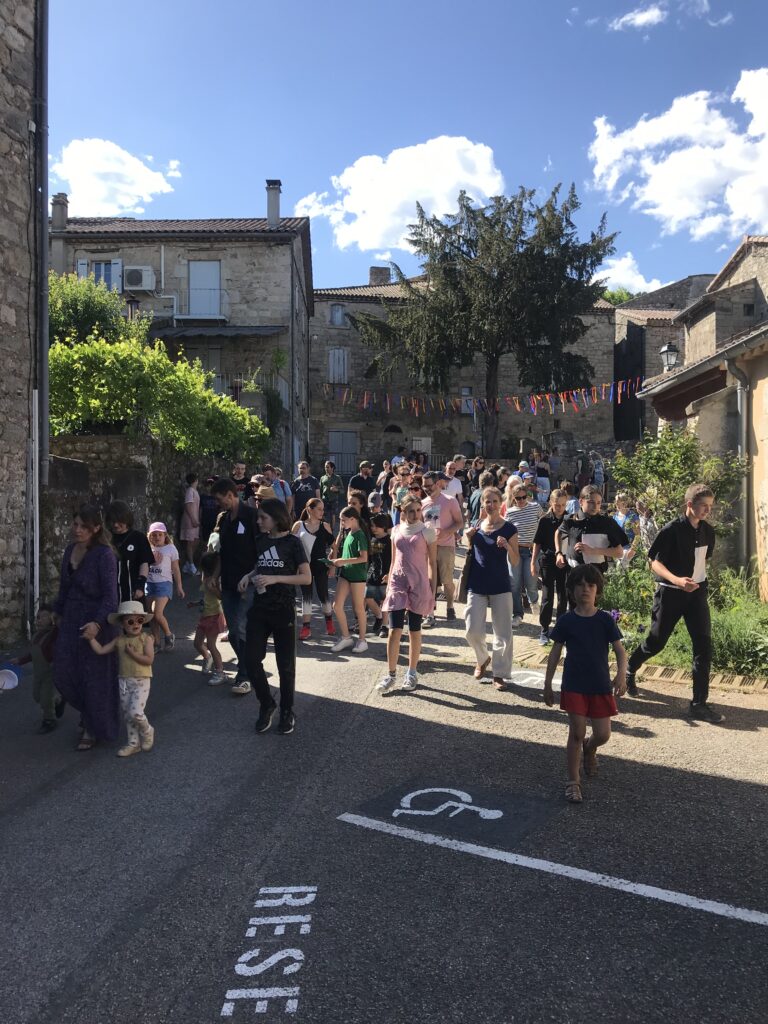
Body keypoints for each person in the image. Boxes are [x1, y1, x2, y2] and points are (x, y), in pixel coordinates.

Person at [625, 484, 724, 722]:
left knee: (703, 646)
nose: (707, 511)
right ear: (689, 505)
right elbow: (655, 563)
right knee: (656, 642)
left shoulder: (708, 531)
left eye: (710, 506)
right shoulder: (671, 530)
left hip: (697, 594)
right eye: (703, 506)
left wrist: (696, 582)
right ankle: (630, 667)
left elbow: (704, 560)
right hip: (670, 593)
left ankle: (699, 703)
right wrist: (678, 581)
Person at [543, 564, 627, 804]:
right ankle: (573, 781)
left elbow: (620, 651)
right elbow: (554, 653)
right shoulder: (567, 621)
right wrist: (548, 684)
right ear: (571, 590)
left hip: (600, 685)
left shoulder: (604, 620)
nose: (585, 590)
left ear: (597, 591)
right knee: (577, 732)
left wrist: (621, 675)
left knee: (603, 734)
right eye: (580, 585)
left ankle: (590, 749)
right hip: (574, 684)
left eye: (590, 585)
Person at [239, 499, 311, 736]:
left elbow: (305, 578)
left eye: (263, 518)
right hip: (260, 608)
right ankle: (266, 703)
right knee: (251, 660)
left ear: (276, 518)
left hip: (283, 609)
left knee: (285, 666)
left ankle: (287, 711)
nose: (258, 521)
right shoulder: (260, 540)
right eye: (258, 517)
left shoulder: (293, 542)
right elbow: (262, 566)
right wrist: (249, 576)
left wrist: (276, 579)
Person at [53, 505, 120, 751]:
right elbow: (64, 588)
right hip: (71, 619)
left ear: (95, 528)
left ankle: (92, 726)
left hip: (96, 621)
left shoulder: (104, 555)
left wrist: (97, 623)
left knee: (94, 678)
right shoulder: (70, 550)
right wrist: (56, 613)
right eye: (75, 524)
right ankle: (88, 714)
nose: (77, 529)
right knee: (64, 672)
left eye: (83, 526)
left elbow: (111, 597)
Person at [378, 494, 437, 692]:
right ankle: (391, 674)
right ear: (403, 512)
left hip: (419, 585)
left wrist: (432, 589)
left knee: (414, 630)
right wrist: (388, 583)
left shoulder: (428, 532)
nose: (415, 514)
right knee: (394, 630)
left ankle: (412, 673)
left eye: (418, 510)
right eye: (411, 511)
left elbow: (432, 563)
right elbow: (394, 560)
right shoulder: (395, 531)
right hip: (397, 583)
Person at [463, 487, 520, 689]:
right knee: (471, 630)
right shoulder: (476, 527)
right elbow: (467, 549)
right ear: (483, 504)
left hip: (500, 585)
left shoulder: (509, 528)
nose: (491, 505)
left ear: (501, 503)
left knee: (503, 633)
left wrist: (507, 546)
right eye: (487, 501)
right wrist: (468, 537)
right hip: (476, 584)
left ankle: (499, 673)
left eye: (495, 501)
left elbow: (515, 561)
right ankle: (482, 659)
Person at [87, 599, 156, 758]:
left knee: (136, 712)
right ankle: (133, 743)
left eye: (139, 620)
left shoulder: (146, 639)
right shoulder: (120, 640)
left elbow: (149, 660)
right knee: (127, 714)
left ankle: (147, 730)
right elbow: (102, 650)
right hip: (124, 680)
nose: (135, 624)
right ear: (122, 624)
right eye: (130, 621)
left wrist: (133, 654)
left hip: (142, 679)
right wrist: (91, 639)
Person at [211, 478, 259, 695]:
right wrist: (214, 575)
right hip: (228, 582)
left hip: (248, 582)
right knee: (231, 633)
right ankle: (250, 666)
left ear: (231, 495)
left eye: (222, 500)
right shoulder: (223, 519)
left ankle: (244, 675)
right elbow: (222, 552)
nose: (220, 504)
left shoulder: (252, 516)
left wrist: (251, 576)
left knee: (241, 628)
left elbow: (263, 552)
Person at [555, 486, 627, 597]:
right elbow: (558, 533)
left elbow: (619, 552)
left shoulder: (607, 523)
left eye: (598, 503)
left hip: (595, 576)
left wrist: (594, 550)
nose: (595, 507)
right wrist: (559, 553)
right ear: (581, 501)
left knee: (591, 609)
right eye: (591, 502)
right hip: (573, 574)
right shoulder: (570, 520)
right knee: (574, 609)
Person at [10, 603, 61, 733]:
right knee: (37, 696)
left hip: (49, 672)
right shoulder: (36, 636)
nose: (39, 620)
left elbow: (59, 627)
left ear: (52, 619)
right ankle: (57, 701)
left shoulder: (53, 634)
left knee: (45, 699)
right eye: (37, 617)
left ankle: (49, 721)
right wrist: (20, 660)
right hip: (38, 673)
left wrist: (56, 619)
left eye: (43, 617)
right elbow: (32, 654)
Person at [421, 471, 463, 625]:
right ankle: (430, 611)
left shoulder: (450, 501)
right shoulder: (423, 503)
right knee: (429, 580)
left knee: (447, 581)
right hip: (428, 547)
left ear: (438, 483)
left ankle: (450, 606)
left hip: (446, 545)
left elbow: (460, 522)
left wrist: (447, 531)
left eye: (429, 485)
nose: (426, 488)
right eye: (424, 486)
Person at [292, 497, 335, 640]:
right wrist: (294, 566)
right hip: (304, 568)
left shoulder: (325, 526)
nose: (322, 512)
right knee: (306, 596)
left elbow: (334, 547)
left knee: (323, 594)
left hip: (321, 566)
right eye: (319, 509)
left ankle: (329, 622)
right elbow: (289, 546)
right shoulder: (298, 525)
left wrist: (331, 564)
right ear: (310, 509)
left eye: (323, 509)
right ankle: (306, 627)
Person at [329, 506, 370, 654]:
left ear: (353, 519)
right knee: (337, 605)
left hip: (358, 576)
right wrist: (334, 560)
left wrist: (342, 561)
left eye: (343, 520)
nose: (341, 522)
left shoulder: (360, 535)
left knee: (359, 608)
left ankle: (362, 640)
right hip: (346, 574)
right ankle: (346, 637)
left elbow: (363, 558)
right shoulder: (348, 533)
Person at [531, 489, 569, 646]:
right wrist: (533, 562)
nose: (560, 508)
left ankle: (560, 628)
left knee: (563, 595)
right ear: (551, 503)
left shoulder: (569, 519)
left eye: (562, 505)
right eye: (557, 505)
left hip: (564, 560)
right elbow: (537, 542)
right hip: (548, 559)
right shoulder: (545, 520)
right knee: (547, 595)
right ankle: (544, 629)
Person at [504, 482, 543, 627]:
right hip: (515, 550)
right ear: (513, 498)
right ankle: (517, 614)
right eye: (518, 498)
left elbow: (543, 522)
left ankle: (534, 601)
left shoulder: (535, 507)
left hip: (531, 550)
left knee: (531, 581)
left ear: (527, 496)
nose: (521, 500)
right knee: (514, 583)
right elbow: (506, 530)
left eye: (523, 497)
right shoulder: (510, 512)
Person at [146, 522, 184, 651]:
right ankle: (156, 642)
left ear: (165, 536)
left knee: (157, 614)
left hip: (164, 584)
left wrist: (179, 586)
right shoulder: (147, 548)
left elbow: (176, 568)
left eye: (160, 534)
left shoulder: (170, 549)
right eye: (154, 535)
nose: (157, 537)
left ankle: (168, 635)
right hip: (149, 584)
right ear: (149, 536)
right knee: (150, 615)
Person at [191, 550, 227, 686]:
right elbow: (207, 598)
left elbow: (220, 597)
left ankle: (220, 671)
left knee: (211, 644)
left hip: (215, 616)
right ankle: (208, 657)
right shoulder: (206, 580)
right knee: (197, 643)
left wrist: (215, 589)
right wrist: (196, 603)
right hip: (205, 616)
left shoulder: (214, 582)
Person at [106, 500, 154, 604]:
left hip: (133, 594)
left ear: (126, 519)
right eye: (112, 521)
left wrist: (140, 586)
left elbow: (144, 562)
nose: (115, 525)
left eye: (119, 521)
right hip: (111, 597)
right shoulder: (106, 539)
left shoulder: (138, 538)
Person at [365, 512, 393, 637]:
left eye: (376, 526)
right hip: (372, 574)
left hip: (385, 575)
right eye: (372, 526)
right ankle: (379, 616)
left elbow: (393, 559)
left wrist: (389, 574)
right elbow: (371, 558)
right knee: (367, 598)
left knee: (384, 600)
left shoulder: (390, 541)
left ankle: (384, 626)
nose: (373, 528)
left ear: (384, 526)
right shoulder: (372, 539)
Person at [180, 472, 201, 574]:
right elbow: (188, 505)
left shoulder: (194, 491)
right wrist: (193, 519)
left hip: (194, 519)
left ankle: (188, 564)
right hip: (190, 520)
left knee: (196, 541)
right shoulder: (190, 491)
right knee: (189, 543)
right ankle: (192, 566)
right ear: (195, 480)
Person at [612, 491, 640, 566]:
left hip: (628, 548)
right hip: (617, 548)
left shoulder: (632, 516)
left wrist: (632, 550)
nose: (616, 504)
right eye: (616, 501)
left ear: (624, 503)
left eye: (619, 502)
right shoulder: (615, 516)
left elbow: (638, 535)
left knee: (621, 568)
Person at [320, 460, 344, 530]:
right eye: (325, 467)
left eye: (328, 467)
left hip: (333, 499)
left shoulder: (337, 478)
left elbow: (342, 490)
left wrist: (336, 489)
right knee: (324, 515)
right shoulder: (322, 478)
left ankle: (332, 530)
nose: (326, 469)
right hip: (325, 499)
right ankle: (325, 529)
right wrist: (320, 499)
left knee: (333, 515)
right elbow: (320, 489)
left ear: (332, 468)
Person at [199, 478, 220, 548]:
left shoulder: (217, 497)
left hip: (215, 520)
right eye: (208, 485)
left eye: (211, 485)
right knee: (205, 538)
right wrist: (199, 519)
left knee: (216, 537)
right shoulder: (202, 497)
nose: (210, 487)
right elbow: (200, 509)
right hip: (205, 520)